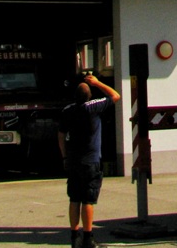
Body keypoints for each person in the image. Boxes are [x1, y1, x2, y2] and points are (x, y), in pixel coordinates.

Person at [58, 72, 120, 248]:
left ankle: (74, 236)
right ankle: (88, 237)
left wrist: (64, 156)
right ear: (90, 96)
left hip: (73, 161)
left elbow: (61, 135)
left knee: (74, 198)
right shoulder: (93, 107)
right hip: (90, 161)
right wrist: (97, 82)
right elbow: (115, 96)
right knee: (88, 199)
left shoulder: (67, 111)